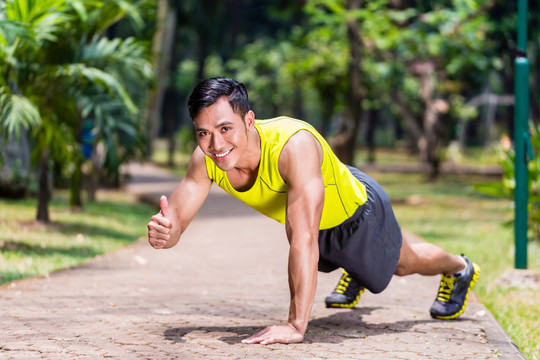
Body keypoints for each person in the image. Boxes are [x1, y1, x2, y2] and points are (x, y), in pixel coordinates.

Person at [147, 77, 480, 345]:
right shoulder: (205, 160)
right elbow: (176, 221)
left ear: (248, 120)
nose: (216, 144)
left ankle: (460, 268)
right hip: (317, 216)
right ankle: (357, 268)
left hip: (358, 213)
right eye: (203, 132)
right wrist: (166, 233)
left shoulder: (293, 145)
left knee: (404, 264)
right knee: (305, 238)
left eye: (224, 129)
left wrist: (296, 325)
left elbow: (304, 239)